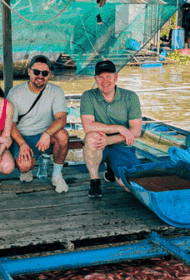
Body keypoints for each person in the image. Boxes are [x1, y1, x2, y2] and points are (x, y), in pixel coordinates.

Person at [80, 60, 142, 198]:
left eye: (108, 76)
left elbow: (136, 131)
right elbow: (88, 126)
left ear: (116, 77)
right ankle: (95, 182)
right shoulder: (88, 96)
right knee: (91, 138)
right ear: (95, 79)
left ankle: (112, 170)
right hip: (99, 144)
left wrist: (109, 140)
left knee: (129, 186)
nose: (105, 81)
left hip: (121, 145)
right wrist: (120, 128)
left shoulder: (131, 97)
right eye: (100, 77)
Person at [8, 55, 70, 193]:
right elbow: (10, 124)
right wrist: (22, 144)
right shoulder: (15, 92)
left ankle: (57, 176)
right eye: (36, 72)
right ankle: (30, 167)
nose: (40, 76)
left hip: (46, 136)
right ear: (29, 71)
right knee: (24, 166)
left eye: (45, 73)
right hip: (23, 137)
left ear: (50, 74)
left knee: (63, 135)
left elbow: (61, 119)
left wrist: (47, 133)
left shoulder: (56, 91)